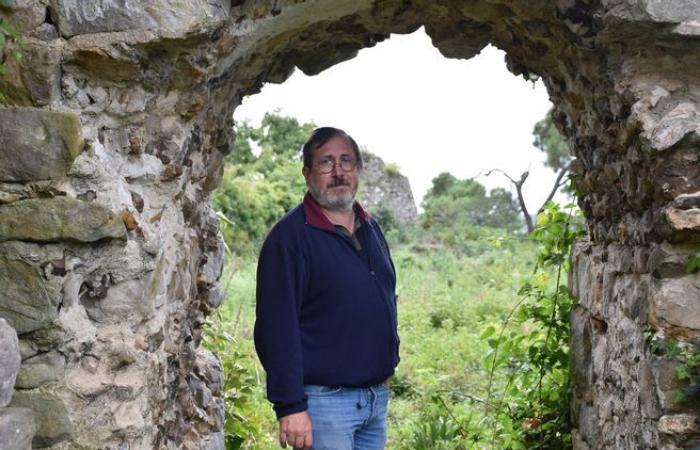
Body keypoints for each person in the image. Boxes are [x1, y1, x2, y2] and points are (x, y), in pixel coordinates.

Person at [254, 126, 400, 450]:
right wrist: (290, 407)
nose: (338, 172)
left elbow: (387, 296)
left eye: (346, 161)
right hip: (324, 405)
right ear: (307, 173)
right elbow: (276, 329)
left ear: (358, 169)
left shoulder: (371, 228)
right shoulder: (289, 239)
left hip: (375, 399)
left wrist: (389, 361)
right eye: (326, 163)